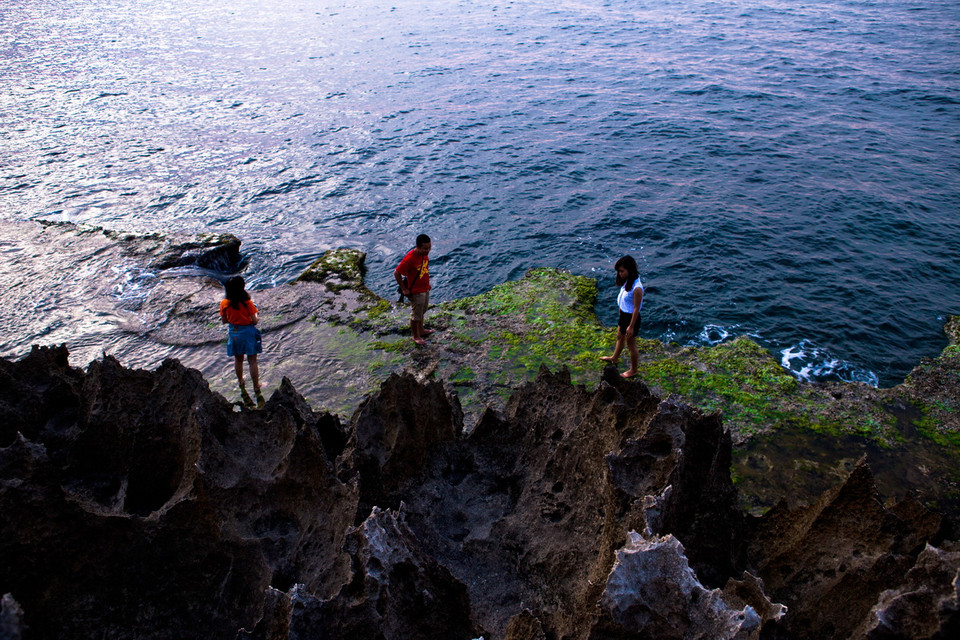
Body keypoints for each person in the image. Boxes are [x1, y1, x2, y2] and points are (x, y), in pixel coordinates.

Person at [219, 276, 264, 408]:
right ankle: (256, 386)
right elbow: (255, 321)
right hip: (248, 333)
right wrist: (256, 313)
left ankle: (240, 381)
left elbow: (224, 321)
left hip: (235, 334)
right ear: (243, 287)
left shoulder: (225, 303)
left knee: (238, 360)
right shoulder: (247, 303)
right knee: (252, 361)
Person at [600, 255, 644, 378]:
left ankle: (634, 370)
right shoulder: (628, 281)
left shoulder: (637, 288)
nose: (620, 274)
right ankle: (614, 358)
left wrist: (631, 326)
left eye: (622, 271)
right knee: (620, 336)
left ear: (630, 270)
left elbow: (636, 308)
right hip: (624, 315)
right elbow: (626, 299)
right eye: (619, 271)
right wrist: (621, 307)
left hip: (631, 318)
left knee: (631, 345)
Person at [394, 233, 433, 345]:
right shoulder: (410, 258)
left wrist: (427, 284)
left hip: (424, 288)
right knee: (416, 314)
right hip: (416, 291)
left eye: (429, 247)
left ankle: (421, 330)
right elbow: (397, 272)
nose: (428, 250)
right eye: (425, 248)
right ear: (418, 247)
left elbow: (423, 270)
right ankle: (415, 336)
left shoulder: (423, 255)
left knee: (423, 310)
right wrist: (404, 289)